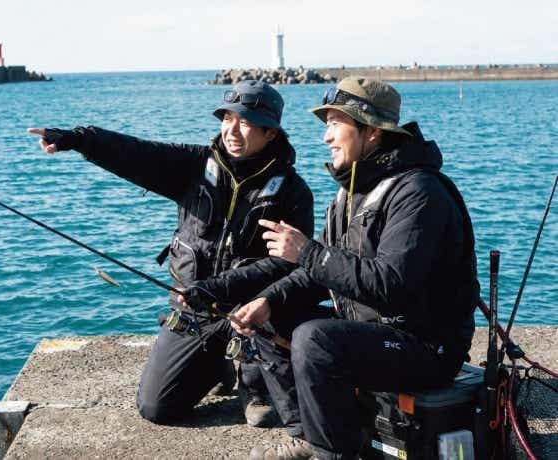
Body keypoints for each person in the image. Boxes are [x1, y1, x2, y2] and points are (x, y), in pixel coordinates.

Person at [193, 76, 479, 459]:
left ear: (371, 131)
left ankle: (332, 452)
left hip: (426, 347)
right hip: (375, 331)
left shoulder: (419, 192)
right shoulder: (352, 191)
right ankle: (309, 435)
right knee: (271, 315)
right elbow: (319, 273)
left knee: (316, 340)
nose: (326, 137)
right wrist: (267, 301)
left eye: (334, 124)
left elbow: (392, 283)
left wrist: (307, 252)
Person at [27, 80, 314, 427]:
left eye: (246, 122)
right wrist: (79, 139)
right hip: (194, 308)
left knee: (264, 413)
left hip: (251, 313)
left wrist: (218, 287)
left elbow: (284, 265)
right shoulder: (194, 165)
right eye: (227, 118)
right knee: (156, 408)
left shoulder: (293, 192)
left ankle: (251, 382)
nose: (232, 130)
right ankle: (217, 363)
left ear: (270, 133)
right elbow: (135, 153)